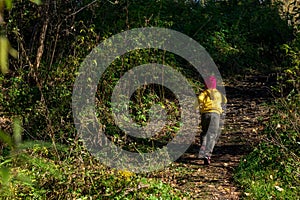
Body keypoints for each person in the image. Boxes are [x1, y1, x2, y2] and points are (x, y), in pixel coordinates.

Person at [196, 75, 227, 165]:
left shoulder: (204, 93)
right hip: (215, 115)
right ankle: (208, 154)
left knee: (204, 132)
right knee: (212, 134)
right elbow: (225, 100)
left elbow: (199, 99)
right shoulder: (218, 93)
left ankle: (203, 146)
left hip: (205, 114)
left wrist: (198, 106)